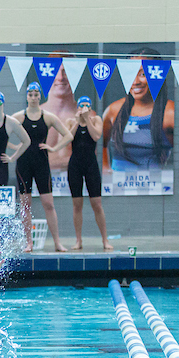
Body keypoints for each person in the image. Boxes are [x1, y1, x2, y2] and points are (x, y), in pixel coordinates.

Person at [12, 85, 68, 252]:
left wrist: (54, 148)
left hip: (42, 164)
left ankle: (57, 243)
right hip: (24, 164)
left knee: (48, 204)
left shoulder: (48, 117)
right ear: (27, 97)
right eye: (31, 94)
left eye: (36, 94)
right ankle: (28, 242)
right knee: (25, 205)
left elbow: (68, 135)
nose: (34, 97)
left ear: (40, 97)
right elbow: (1, 134)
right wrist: (15, 148)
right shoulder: (18, 118)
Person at [52, 96, 113, 251]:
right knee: (77, 205)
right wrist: (79, 121)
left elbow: (96, 136)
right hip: (75, 166)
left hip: (91, 165)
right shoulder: (71, 122)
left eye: (87, 106)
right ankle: (78, 240)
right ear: (77, 107)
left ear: (90, 108)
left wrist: (87, 119)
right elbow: (68, 138)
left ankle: (105, 240)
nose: (84, 108)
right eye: (82, 106)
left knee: (97, 204)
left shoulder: (96, 120)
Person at [102, 63, 175, 173]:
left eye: (142, 74)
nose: (135, 82)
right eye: (130, 73)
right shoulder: (113, 110)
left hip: (157, 187)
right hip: (118, 187)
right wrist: (105, 170)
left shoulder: (170, 112)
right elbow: (97, 144)